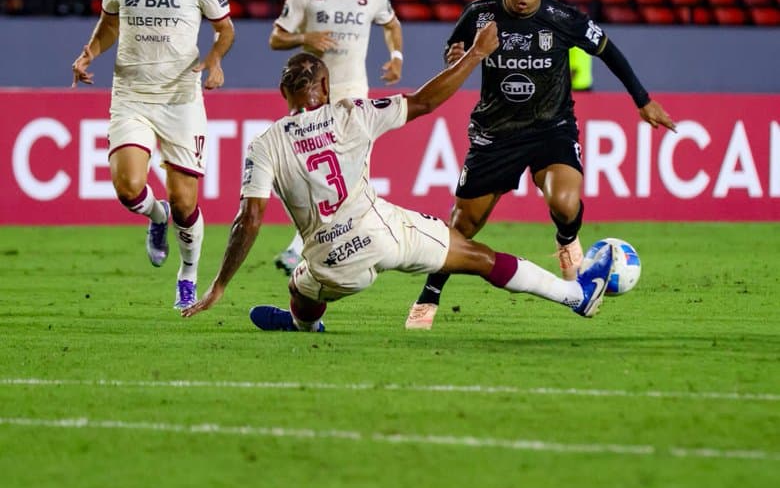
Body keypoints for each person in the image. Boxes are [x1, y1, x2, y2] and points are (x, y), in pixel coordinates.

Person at [180, 22, 614, 328]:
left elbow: (249, 221)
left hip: (330, 263)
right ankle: (575, 296)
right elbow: (424, 101)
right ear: (327, 90)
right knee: (477, 257)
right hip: (383, 236)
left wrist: (219, 286)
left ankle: (304, 326)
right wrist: (478, 54)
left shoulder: (264, 144)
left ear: (283, 95)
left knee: (300, 287)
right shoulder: (352, 114)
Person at [405, 0, 676, 330]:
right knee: (463, 226)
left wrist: (643, 100)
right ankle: (430, 293)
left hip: (552, 128)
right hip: (495, 134)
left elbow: (609, 51)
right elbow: (456, 46)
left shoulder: (564, 19)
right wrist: (456, 55)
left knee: (566, 203)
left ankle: (567, 240)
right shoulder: (479, 13)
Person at [70, 0, 235, 310]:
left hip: (180, 98)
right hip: (131, 94)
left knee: (186, 203)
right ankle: (154, 216)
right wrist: (89, 52)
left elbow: (225, 29)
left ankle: (188, 274)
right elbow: (110, 23)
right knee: (128, 188)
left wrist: (215, 61)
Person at [268, 0, 403, 275]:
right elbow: (275, 38)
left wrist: (396, 58)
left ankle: (311, 250)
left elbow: (391, 24)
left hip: (353, 98)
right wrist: (304, 38)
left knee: (351, 177)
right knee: (319, 179)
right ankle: (338, 248)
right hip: (313, 101)